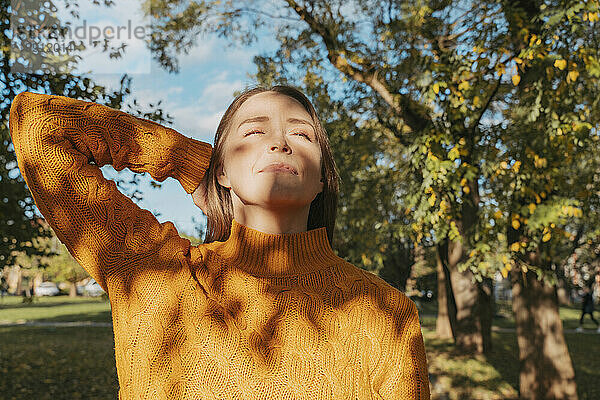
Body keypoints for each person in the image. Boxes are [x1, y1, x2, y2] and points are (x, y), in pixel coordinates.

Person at [9, 85, 430, 399]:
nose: (279, 142)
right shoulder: (155, 274)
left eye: (302, 135)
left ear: (322, 179)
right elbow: (39, 125)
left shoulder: (386, 311)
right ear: (222, 169)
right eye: (253, 133)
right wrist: (196, 165)